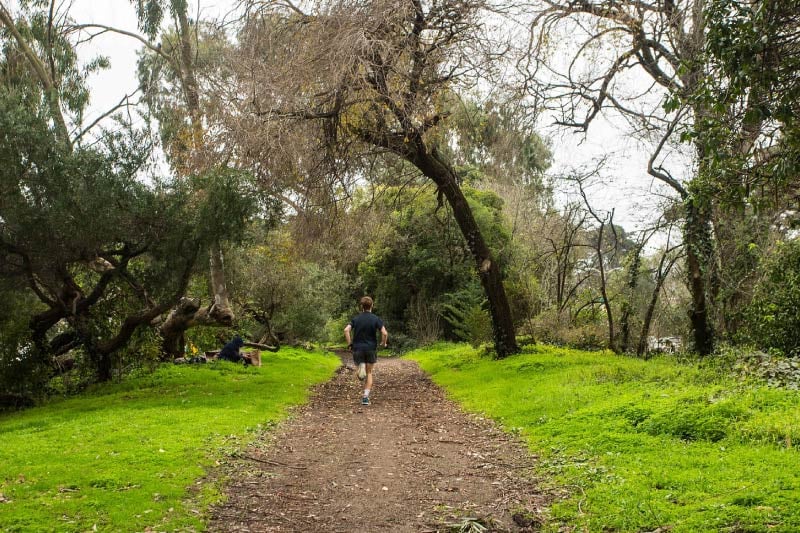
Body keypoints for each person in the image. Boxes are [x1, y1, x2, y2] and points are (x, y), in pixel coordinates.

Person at [344, 296, 388, 406]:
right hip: (370, 349)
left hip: (358, 349)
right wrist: (383, 343)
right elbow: (385, 333)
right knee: (369, 373)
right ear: (372, 305)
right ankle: (365, 397)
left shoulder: (356, 319)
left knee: (360, 372)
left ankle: (361, 366)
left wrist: (350, 344)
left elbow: (346, 330)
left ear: (361, 307)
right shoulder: (376, 319)